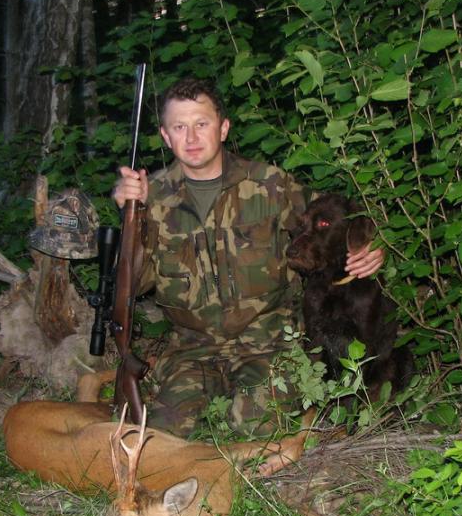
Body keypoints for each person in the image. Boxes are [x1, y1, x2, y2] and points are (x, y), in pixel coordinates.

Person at [113, 77, 383, 436]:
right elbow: (134, 284)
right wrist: (132, 218)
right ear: (165, 136)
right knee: (161, 437)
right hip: (192, 350)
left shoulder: (270, 185)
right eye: (179, 127)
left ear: (223, 128)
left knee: (256, 428)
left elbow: (341, 218)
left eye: (202, 124)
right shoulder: (153, 198)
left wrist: (371, 247)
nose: (191, 137)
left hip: (269, 344)